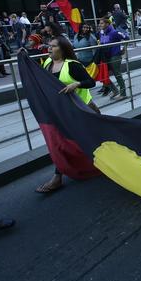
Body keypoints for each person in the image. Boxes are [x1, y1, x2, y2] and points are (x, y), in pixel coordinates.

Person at [35, 36, 97, 193]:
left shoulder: (73, 65)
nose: (49, 48)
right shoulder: (47, 64)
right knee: (62, 143)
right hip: (63, 113)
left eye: (53, 46)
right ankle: (57, 177)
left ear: (62, 49)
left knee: (94, 140)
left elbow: (91, 82)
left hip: (84, 111)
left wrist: (77, 84)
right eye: (49, 45)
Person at [98, 18, 126, 100]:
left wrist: (122, 48)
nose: (100, 25)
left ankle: (123, 93)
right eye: (100, 23)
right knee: (104, 75)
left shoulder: (114, 32)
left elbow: (126, 37)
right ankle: (115, 91)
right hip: (105, 57)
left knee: (117, 74)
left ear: (107, 24)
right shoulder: (102, 33)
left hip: (115, 56)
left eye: (102, 23)